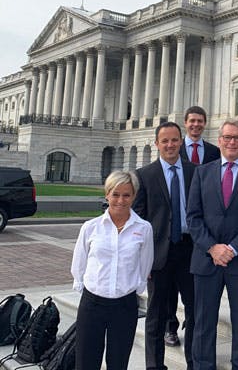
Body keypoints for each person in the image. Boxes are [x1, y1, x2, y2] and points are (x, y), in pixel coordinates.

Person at [187, 118, 238, 370]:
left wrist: (232, 249)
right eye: (227, 137)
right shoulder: (202, 173)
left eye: (237, 138)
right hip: (206, 259)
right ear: (220, 140)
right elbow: (193, 217)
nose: (232, 142)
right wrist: (213, 248)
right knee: (203, 322)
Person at [71, 170, 153, 370]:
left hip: (124, 306)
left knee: (118, 362)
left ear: (134, 196)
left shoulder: (144, 228)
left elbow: (145, 264)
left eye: (127, 195)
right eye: (115, 194)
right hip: (92, 304)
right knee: (86, 362)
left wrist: (137, 286)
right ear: (107, 194)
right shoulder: (90, 227)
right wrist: (81, 285)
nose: (120, 200)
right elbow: (79, 262)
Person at [133, 122, 197, 370]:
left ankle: (193, 362)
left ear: (181, 141)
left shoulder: (196, 172)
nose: (170, 145)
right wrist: (142, 260)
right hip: (158, 254)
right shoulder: (144, 175)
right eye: (165, 141)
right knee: (156, 315)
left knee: (194, 312)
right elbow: (137, 223)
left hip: (190, 250)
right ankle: (154, 365)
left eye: (174, 140)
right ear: (157, 143)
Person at [164, 106, 220, 348]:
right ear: (185, 123)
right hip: (173, 228)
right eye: (192, 121)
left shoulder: (214, 151)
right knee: (169, 290)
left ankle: (191, 324)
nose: (196, 125)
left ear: (205, 123)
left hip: (198, 231)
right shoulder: (174, 148)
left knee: (192, 286)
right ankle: (170, 327)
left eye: (200, 121)